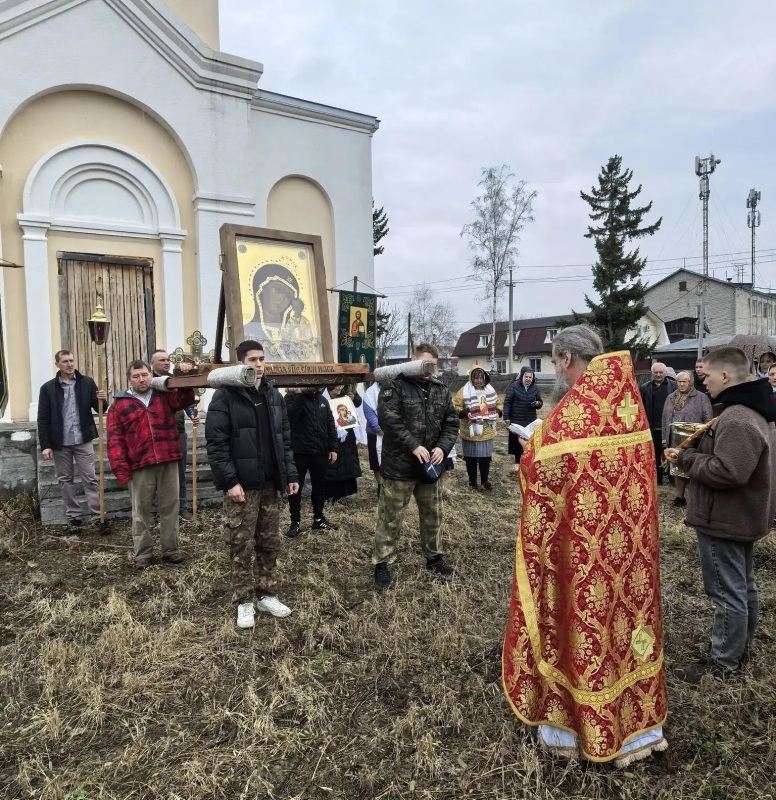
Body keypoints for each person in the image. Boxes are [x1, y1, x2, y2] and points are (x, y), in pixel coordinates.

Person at [503, 325, 667, 766]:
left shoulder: (575, 410)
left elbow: (539, 470)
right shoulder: (627, 402)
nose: (557, 369)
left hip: (581, 554)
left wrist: (530, 449)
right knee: (626, 625)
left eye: (556, 361)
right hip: (629, 554)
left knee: (582, 623)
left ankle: (571, 729)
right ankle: (639, 730)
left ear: (566, 358)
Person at [666, 346, 776, 682]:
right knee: (743, 587)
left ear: (725, 376)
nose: (704, 381)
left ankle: (723, 662)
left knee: (727, 592)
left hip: (724, 519)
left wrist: (686, 459)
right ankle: (739, 649)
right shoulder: (747, 411)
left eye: (708, 375)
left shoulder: (738, 418)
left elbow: (729, 472)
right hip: (739, 515)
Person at [205, 340, 299, 628]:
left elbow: (285, 440)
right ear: (240, 363)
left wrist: (290, 474)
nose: (258, 365)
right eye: (252, 360)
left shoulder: (274, 395)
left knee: (269, 542)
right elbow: (217, 444)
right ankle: (244, 601)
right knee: (241, 544)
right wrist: (230, 481)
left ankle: (267, 594)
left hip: (270, 483)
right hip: (243, 486)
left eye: (261, 359)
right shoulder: (225, 396)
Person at [372, 343, 459, 589]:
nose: (429, 369)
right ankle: (382, 563)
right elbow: (389, 420)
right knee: (390, 517)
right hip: (399, 466)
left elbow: (451, 423)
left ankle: (434, 557)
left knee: (433, 515)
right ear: (413, 360)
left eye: (433, 365)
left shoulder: (441, 390)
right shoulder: (394, 386)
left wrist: (442, 448)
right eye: (425, 363)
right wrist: (413, 446)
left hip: (430, 467)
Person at [107, 360, 195, 569]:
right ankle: (143, 553)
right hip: (140, 464)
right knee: (141, 512)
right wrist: (121, 468)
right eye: (136, 376)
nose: (141, 379)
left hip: (167, 458)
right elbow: (114, 439)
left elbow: (184, 398)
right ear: (129, 379)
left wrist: (183, 376)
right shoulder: (119, 405)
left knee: (170, 507)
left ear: (151, 375)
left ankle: (171, 549)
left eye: (145, 375)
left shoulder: (163, 395)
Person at [38, 350, 109, 531]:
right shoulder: (47, 388)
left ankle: (98, 515)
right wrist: (45, 445)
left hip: (83, 438)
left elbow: (100, 409)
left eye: (71, 360)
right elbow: (43, 418)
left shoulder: (87, 383)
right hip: (60, 442)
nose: (69, 364)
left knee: (90, 478)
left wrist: (102, 400)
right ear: (57, 364)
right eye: (65, 361)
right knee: (65, 480)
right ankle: (74, 516)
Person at [284, 386, 339, 538]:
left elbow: (330, 424)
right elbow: (291, 416)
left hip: (320, 452)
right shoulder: (290, 397)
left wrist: (333, 448)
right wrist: (300, 394)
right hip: (299, 452)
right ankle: (295, 521)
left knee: (319, 487)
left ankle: (318, 519)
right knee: (295, 488)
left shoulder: (322, 400)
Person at [150, 350, 199, 521]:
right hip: (156, 435)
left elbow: (185, 400)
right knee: (156, 474)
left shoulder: (176, 380)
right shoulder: (148, 382)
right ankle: (156, 509)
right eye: (161, 360)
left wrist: (192, 414)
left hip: (178, 433)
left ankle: (181, 507)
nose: (166, 362)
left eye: (167, 359)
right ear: (152, 363)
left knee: (179, 473)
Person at [243, 264, 320, 361]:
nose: (283, 299)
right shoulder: (245, 332)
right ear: (261, 290)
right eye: (278, 290)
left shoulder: (296, 331)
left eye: (289, 296)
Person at [661, 370, 713, 507]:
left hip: (694, 440)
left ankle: (696, 499)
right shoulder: (670, 398)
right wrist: (664, 440)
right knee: (678, 468)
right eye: (679, 381)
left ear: (691, 382)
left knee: (694, 468)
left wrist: (703, 438)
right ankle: (680, 496)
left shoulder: (701, 398)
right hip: (675, 440)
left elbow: (708, 419)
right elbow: (665, 420)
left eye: (685, 381)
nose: (682, 384)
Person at [453, 366, 501, 491]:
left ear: (484, 378)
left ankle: (485, 481)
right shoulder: (464, 390)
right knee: (471, 458)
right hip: (470, 430)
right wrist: (465, 413)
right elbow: (456, 406)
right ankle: (472, 483)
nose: (478, 380)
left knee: (485, 458)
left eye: (481, 378)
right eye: (476, 378)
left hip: (486, 429)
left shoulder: (490, 390)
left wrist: (497, 412)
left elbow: (498, 404)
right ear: (471, 378)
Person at [639, 362, 676, 484]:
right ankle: (657, 479)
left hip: (669, 426)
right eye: (656, 372)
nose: (659, 375)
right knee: (654, 454)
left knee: (670, 452)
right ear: (652, 373)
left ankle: (672, 478)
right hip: (653, 427)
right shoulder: (645, 388)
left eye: (661, 372)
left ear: (665, 372)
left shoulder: (673, 386)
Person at [325, 385, 362, 502]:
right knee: (334, 463)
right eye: (336, 387)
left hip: (348, 432)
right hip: (332, 433)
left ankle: (347, 491)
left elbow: (358, 402)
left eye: (340, 386)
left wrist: (354, 397)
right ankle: (333, 494)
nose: (339, 388)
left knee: (348, 459)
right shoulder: (323, 397)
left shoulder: (346, 390)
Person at [503, 366, 542, 471]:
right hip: (516, 418)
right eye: (526, 377)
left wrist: (537, 403)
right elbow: (507, 402)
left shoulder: (535, 388)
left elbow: (540, 402)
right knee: (517, 441)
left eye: (530, 377)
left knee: (528, 441)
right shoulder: (514, 387)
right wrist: (506, 416)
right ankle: (517, 462)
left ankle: (528, 461)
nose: (528, 379)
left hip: (530, 419)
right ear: (522, 376)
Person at [363, 381, 383, 495]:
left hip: (394, 431)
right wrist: (379, 428)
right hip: (375, 433)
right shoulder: (371, 392)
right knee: (376, 461)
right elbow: (369, 413)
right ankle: (380, 485)